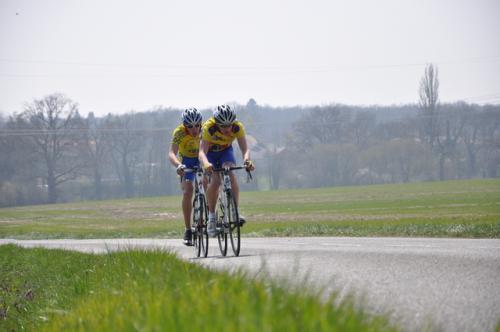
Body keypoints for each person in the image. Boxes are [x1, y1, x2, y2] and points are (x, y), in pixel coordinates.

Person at [198, 105, 255, 237]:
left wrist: (247, 160)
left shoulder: (237, 127)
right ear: (217, 123)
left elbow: (245, 149)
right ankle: (211, 218)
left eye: (229, 125)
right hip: (210, 154)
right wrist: (206, 164)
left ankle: (235, 211)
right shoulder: (209, 128)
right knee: (216, 181)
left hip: (225, 152)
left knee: (230, 173)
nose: (228, 129)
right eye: (223, 126)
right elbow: (202, 152)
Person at [168, 108, 203, 246]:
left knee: (208, 185)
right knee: (188, 191)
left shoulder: (204, 130)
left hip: (201, 159)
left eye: (197, 125)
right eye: (190, 126)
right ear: (184, 125)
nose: (194, 129)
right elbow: (171, 153)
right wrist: (178, 165)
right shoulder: (179, 132)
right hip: (186, 162)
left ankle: (209, 214)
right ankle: (188, 229)